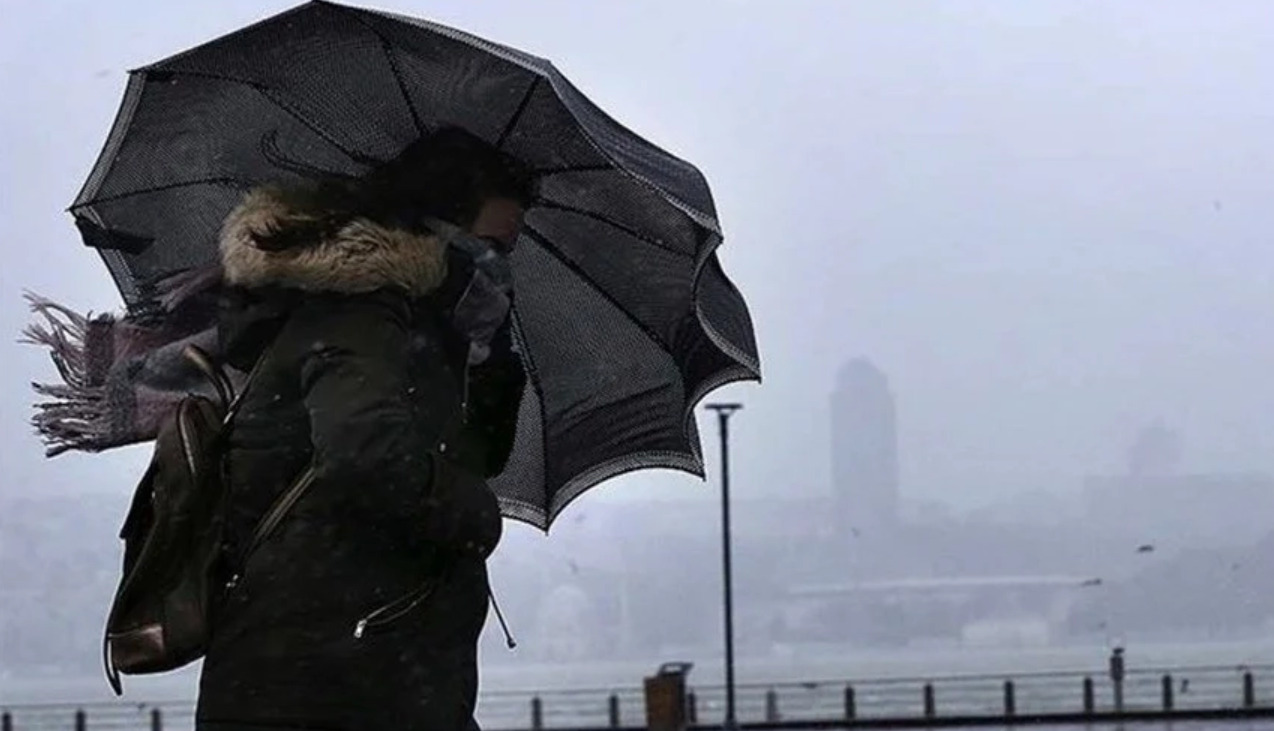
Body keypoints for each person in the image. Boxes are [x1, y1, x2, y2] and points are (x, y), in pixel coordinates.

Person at [194, 127, 533, 731]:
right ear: (441, 233)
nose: (499, 270)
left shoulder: (426, 332)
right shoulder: (361, 313)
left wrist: (490, 364)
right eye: (490, 248)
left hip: (360, 656)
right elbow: (364, 454)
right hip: (338, 668)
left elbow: (474, 453)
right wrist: (476, 515)